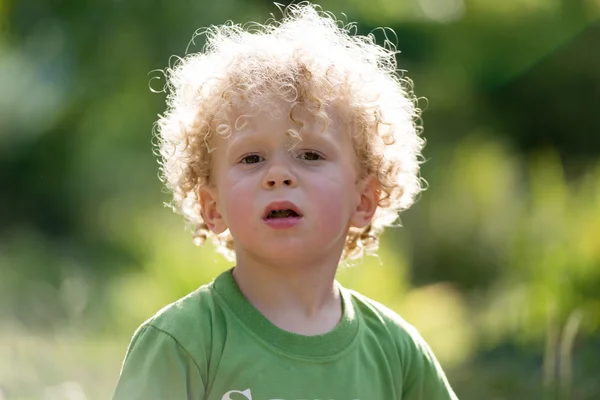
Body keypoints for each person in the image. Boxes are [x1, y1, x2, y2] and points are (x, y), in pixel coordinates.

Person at [112, 2, 458, 399]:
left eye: (310, 155)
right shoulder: (182, 342)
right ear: (213, 207)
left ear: (364, 200)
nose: (278, 175)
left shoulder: (398, 354)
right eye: (252, 158)